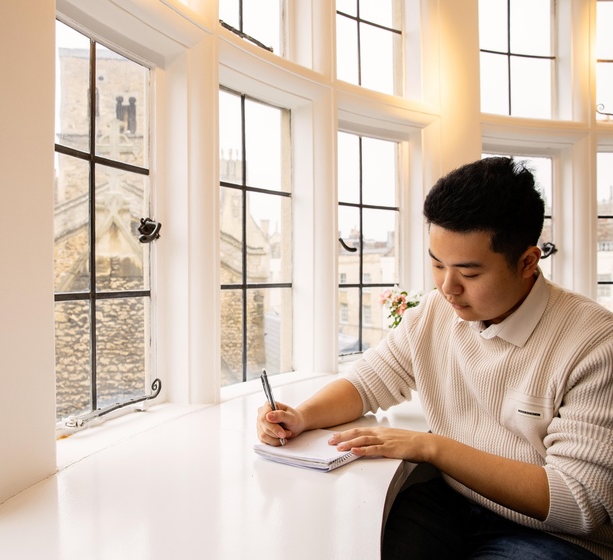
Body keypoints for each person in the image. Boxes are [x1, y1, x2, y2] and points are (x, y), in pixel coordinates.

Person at [256, 157, 613, 559]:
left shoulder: (595, 342)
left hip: (555, 536)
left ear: (528, 262)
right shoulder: (434, 313)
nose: (447, 287)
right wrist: (301, 416)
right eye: (437, 264)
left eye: (469, 274)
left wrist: (432, 448)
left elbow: (578, 501)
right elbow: (367, 382)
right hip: (453, 504)